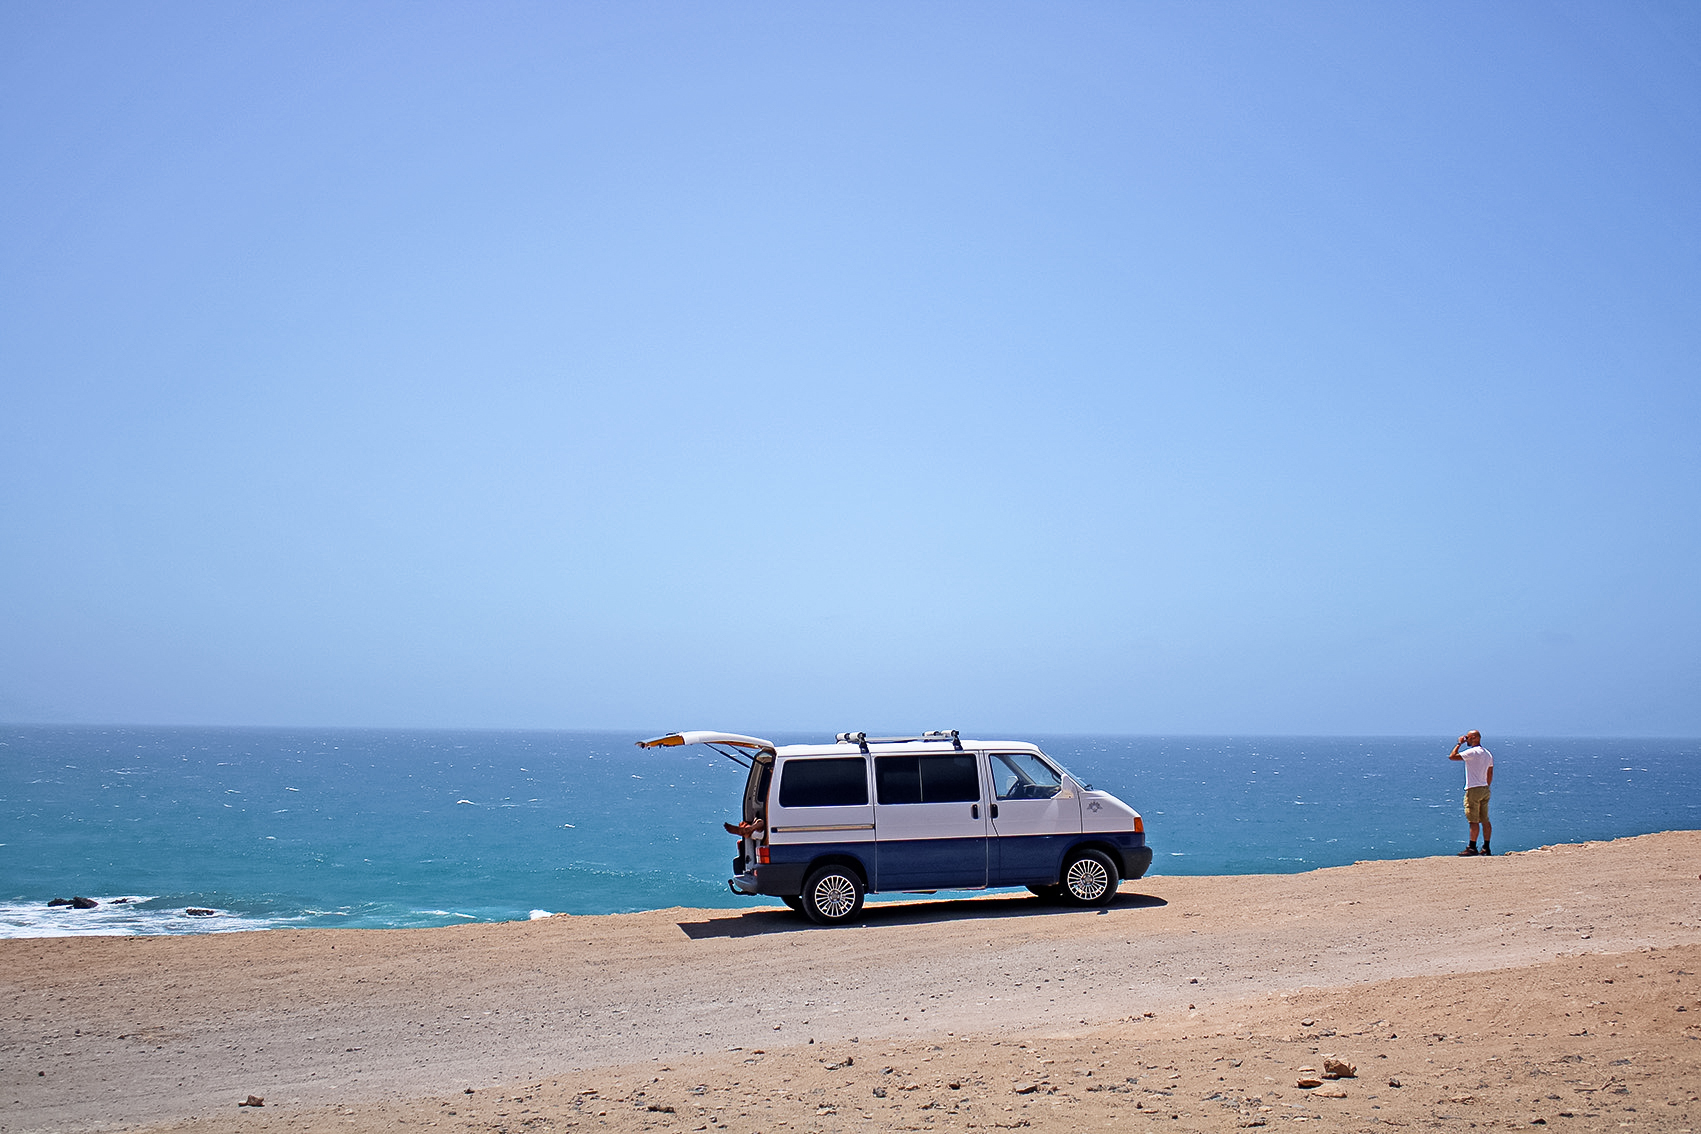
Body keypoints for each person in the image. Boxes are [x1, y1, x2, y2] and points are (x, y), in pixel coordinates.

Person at [1448, 730, 1494, 856]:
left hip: (1473, 789)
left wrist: (1459, 743)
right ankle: (1486, 847)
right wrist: (1486, 785)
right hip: (1484, 788)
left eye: (1467, 737)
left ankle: (1472, 847)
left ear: (1474, 738)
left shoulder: (1472, 752)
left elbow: (1452, 756)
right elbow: (1490, 773)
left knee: (1473, 820)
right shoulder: (1487, 754)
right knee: (1485, 819)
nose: (1466, 739)